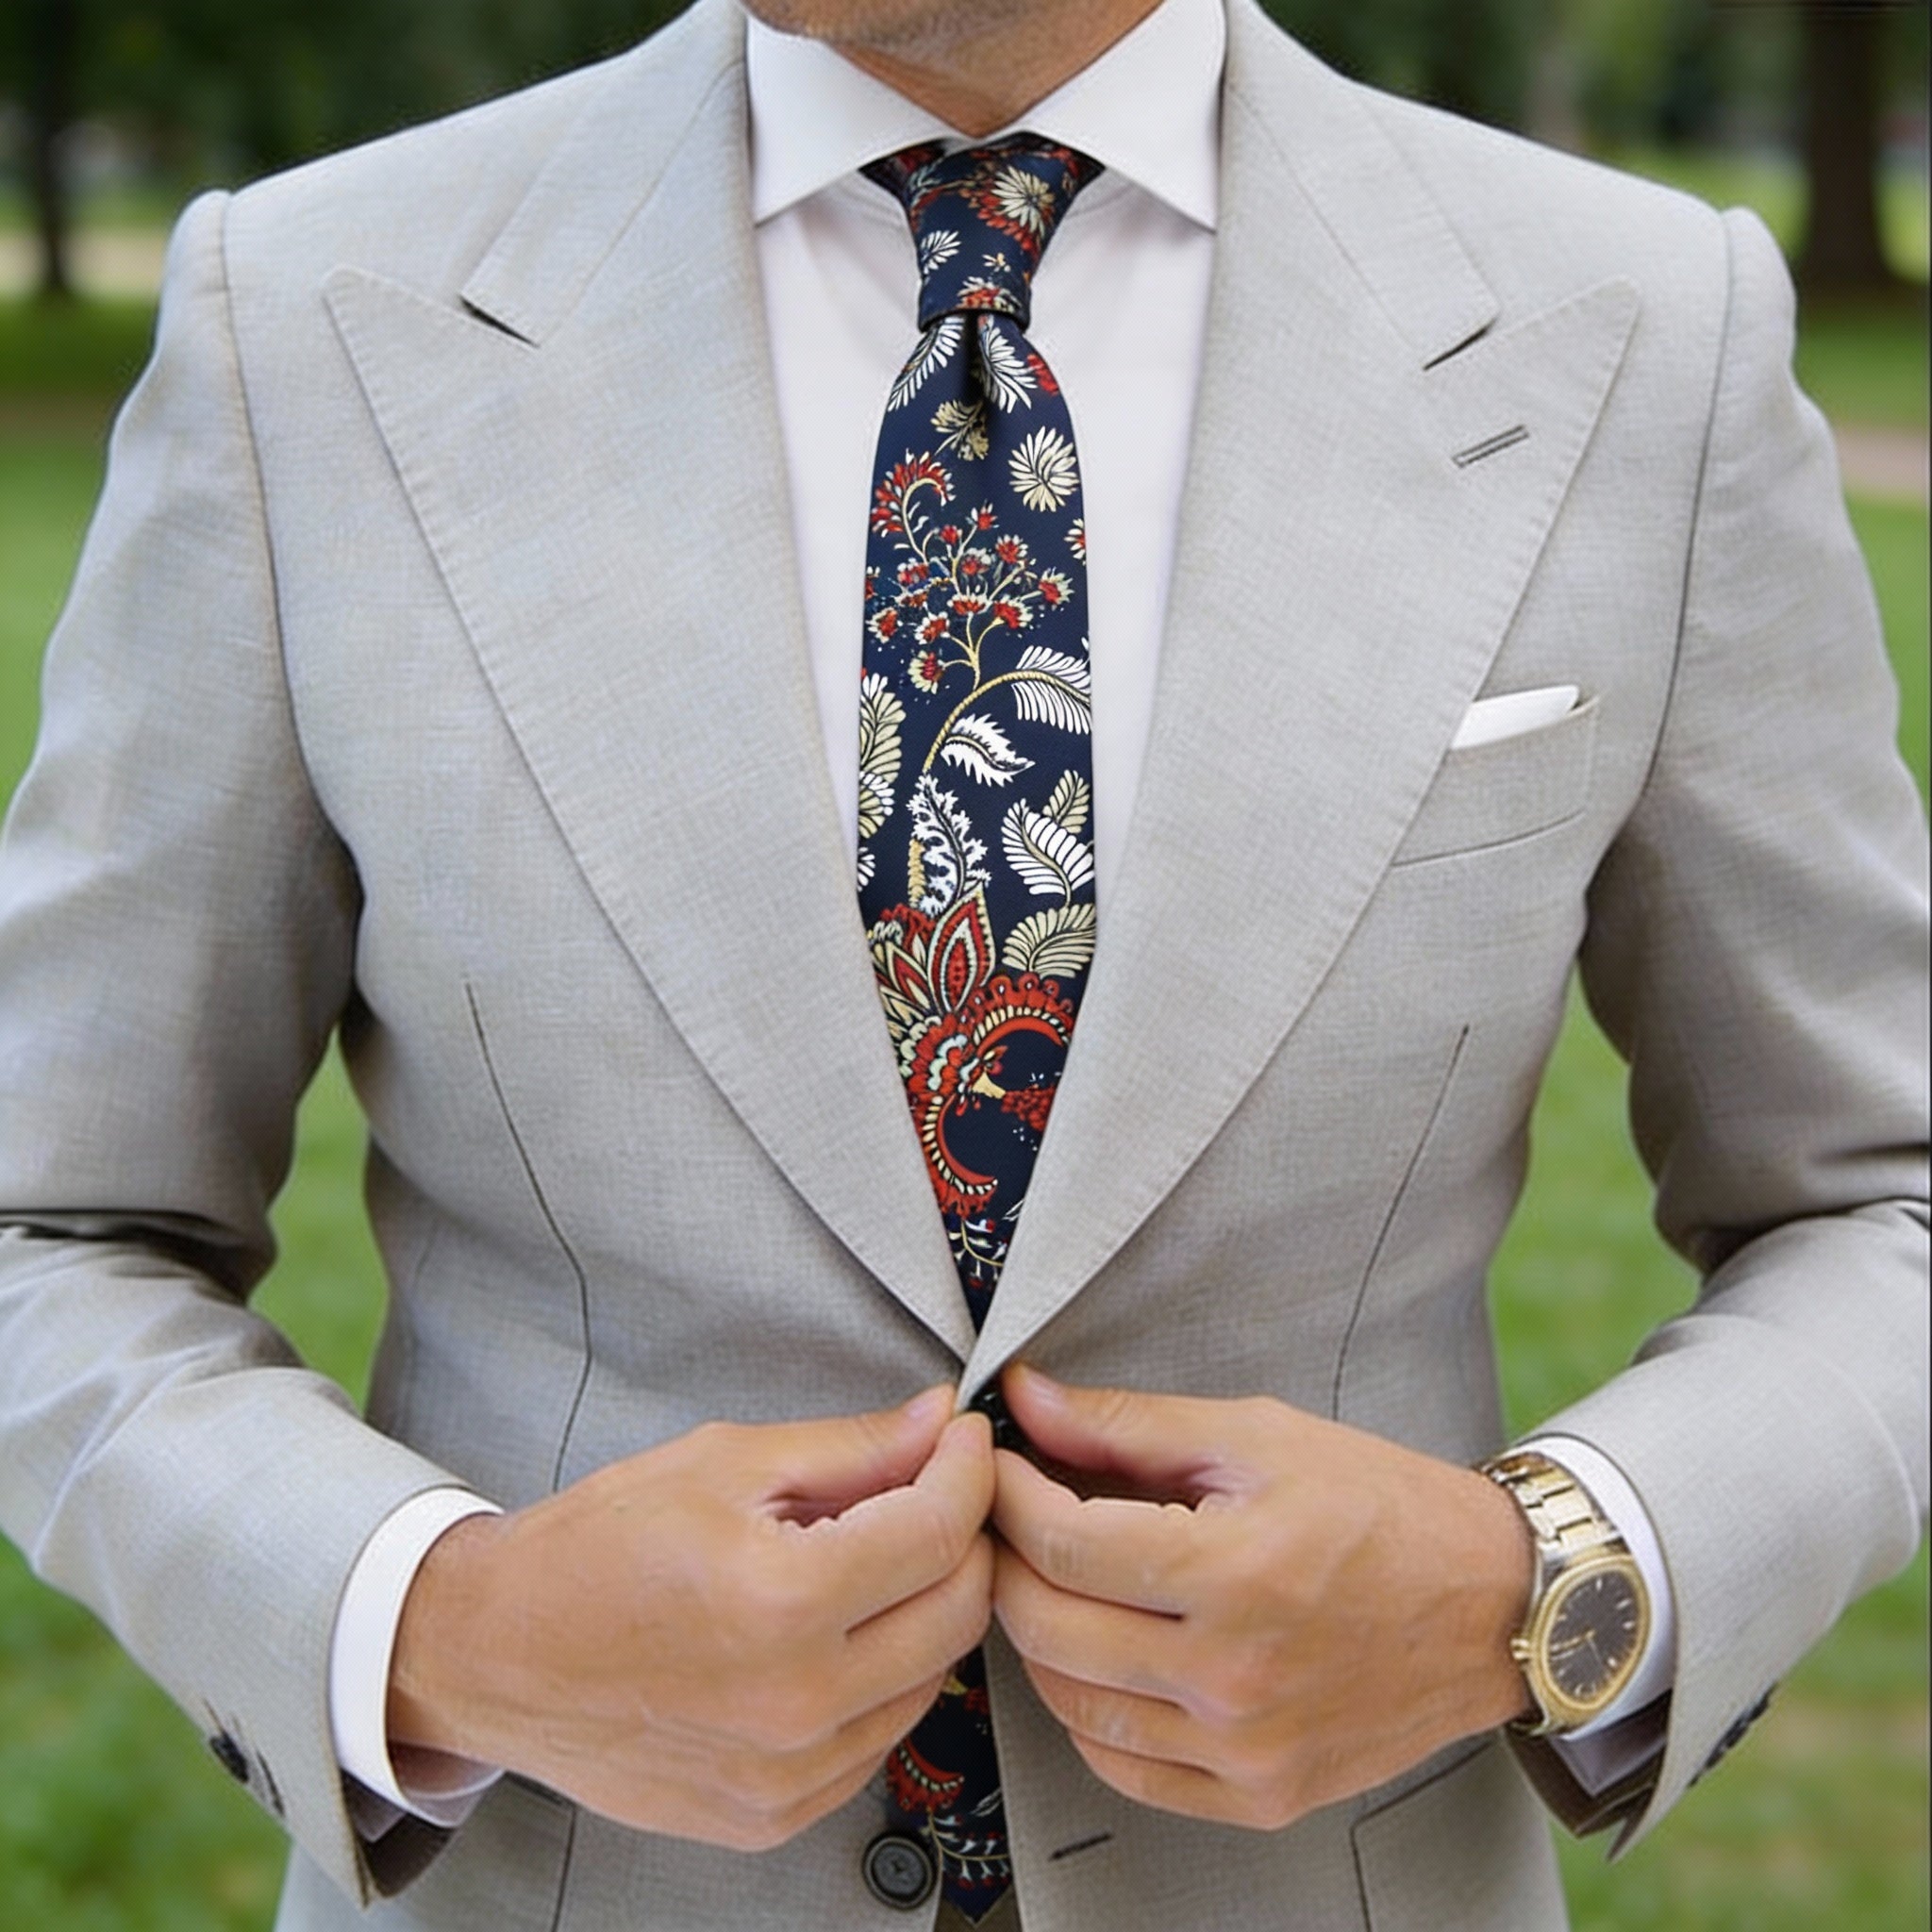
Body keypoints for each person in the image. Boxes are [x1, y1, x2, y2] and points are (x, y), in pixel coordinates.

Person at [0, 0, 1924, 1925]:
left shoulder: (1642, 332)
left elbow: (1878, 1199)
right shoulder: (309, 314)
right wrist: (445, 1625)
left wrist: (1544, 1583)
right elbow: (52, 1225)